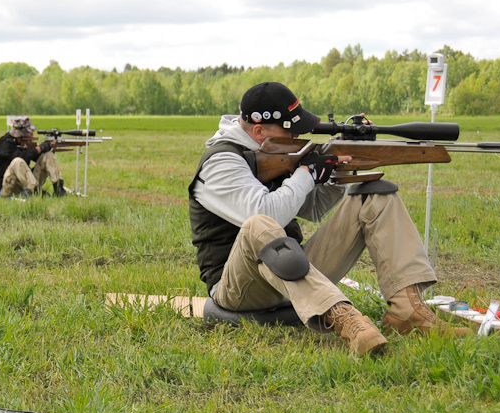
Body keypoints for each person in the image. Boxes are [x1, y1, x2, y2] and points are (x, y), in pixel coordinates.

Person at [187, 82, 470, 357]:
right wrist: (305, 174)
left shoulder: (276, 153)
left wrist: (338, 173)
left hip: (290, 270)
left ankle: (408, 311)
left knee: (376, 196)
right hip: (239, 287)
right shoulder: (221, 162)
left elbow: (312, 208)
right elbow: (268, 213)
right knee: (258, 224)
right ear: (259, 131)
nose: (298, 140)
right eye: (291, 134)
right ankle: (343, 316)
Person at [0, 117, 66, 197]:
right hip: (7, 187)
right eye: (29, 132)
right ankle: (38, 192)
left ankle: (58, 188)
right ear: (20, 133)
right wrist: (39, 148)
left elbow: (37, 158)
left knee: (48, 155)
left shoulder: (26, 142)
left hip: (25, 185)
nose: (32, 134)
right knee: (17, 161)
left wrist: (49, 148)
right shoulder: (5, 143)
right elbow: (22, 157)